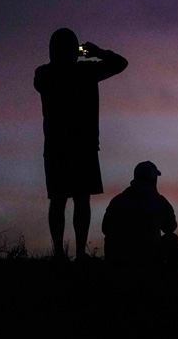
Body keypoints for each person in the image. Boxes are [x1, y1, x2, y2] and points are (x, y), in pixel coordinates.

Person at [34, 28, 128, 261]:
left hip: (57, 146)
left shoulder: (44, 74)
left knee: (59, 199)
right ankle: (77, 253)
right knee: (80, 199)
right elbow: (120, 62)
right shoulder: (85, 71)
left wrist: (78, 55)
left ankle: (59, 253)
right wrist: (92, 52)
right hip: (83, 146)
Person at [102, 161, 178, 276]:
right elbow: (171, 227)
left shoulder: (118, 200)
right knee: (172, 239)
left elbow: (105, 228)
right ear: (153, 179)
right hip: (147, 262)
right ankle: (171, 280)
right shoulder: (159, 202)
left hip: (117, 260)